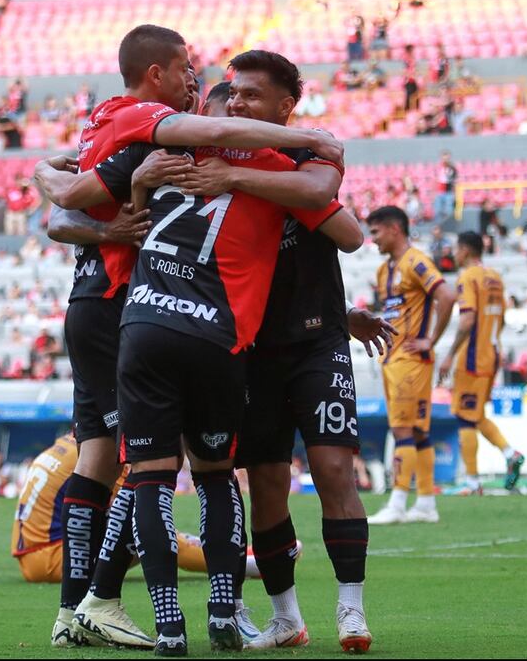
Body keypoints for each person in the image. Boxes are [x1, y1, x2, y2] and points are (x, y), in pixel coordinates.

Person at [32, 25, 343, 654]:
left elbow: (62, 205)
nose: (195, 84)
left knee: (117, 461)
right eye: (188, 73)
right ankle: (170, 607)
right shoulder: (161, 131)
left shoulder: (138, 143)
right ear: (159, 75)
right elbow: (67, 202)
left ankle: (101, 611)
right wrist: (311, 140)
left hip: (123, 312)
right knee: (197, 470)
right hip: (156, 314)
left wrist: (54, 174)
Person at [171, 56, 391, 652]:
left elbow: (349, 234)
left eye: (251, 94)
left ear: (286, 106)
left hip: (317, 343)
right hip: (253, 349)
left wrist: (238, 177)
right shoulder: (207, 170)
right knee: (266, 485)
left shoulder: (305, 160)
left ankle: (351, 610)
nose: (239, 103)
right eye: (234, 95)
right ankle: (286, 618)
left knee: (334, 471)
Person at [13, 434, 259, 582]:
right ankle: (243, 565)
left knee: (150, 527)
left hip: (32, 555)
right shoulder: (104, 453)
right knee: (152, 530)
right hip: (54, 558)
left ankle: (238, 555)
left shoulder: (68, 446)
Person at [366, 206, 456, 523]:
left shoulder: (416, 261)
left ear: (394, 229)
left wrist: (431, 339)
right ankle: (427, 503)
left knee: (403, 430)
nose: (373, 239)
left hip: (411, 359)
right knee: (417, 432)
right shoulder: (383, 271)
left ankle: (397, 503)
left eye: (376, 232)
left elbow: (447, 296)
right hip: (392, 359)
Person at [437, 231, 525, 495]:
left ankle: (473, 481)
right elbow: (502, 318)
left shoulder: (467, 277)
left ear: (465, 250)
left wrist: (450, 355)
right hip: (492, 353)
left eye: (456, 249)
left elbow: (467, 320)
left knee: (464, 417)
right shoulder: (495, 277)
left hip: (472, 357)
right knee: (475, 415)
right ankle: (510, 453)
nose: (454, 254)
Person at [433, 151, 458, 222]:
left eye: (447, 158)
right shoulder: (438, 167)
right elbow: (435, 180)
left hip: (449, 192)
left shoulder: (452, 168)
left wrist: (454, 192)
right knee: (437, 211)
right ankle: (438, 225)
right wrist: (434, 192)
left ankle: (449, 224)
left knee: (449, 210)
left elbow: (454, 181)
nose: (445, 160)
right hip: (439, 191)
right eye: (444, 158)